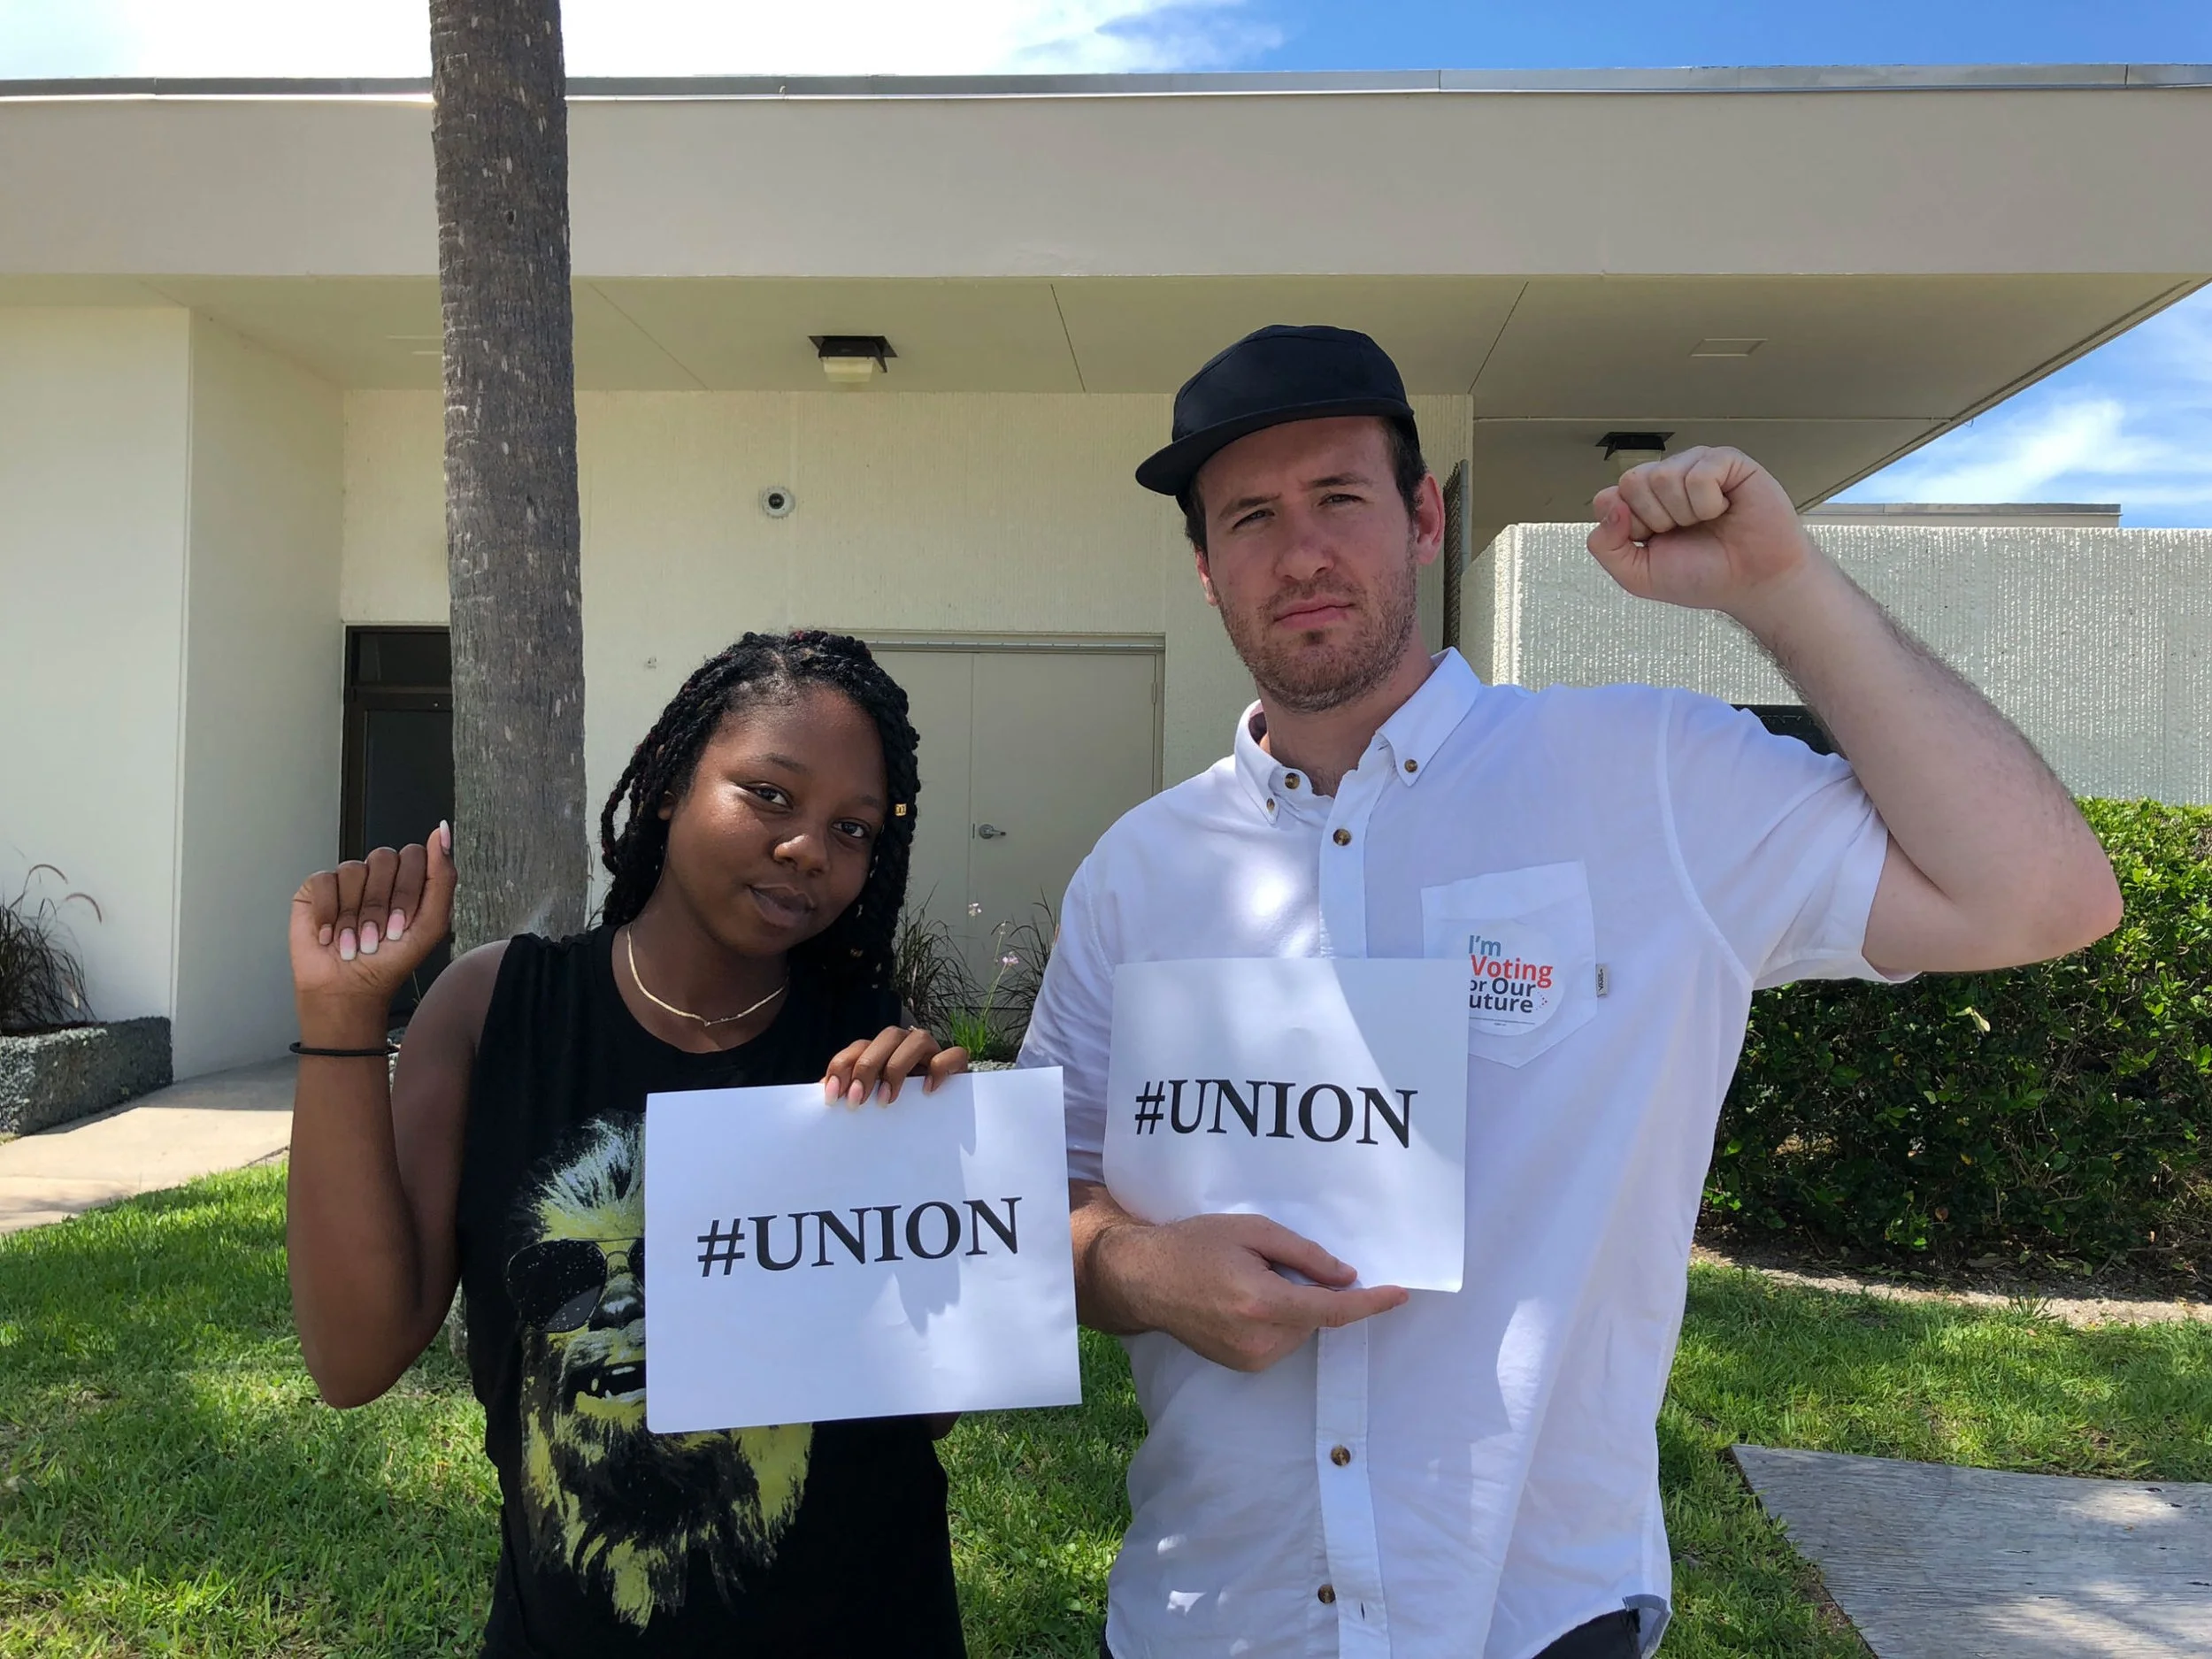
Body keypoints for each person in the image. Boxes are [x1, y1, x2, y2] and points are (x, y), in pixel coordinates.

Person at [1018, 326, 2122, 1659]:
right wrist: (1134, 1265)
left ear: (1423, 516)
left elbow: (2044, 896)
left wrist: (1781, 588)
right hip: (1208, 1616)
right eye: (1249, 516)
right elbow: (1045, 1207)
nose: (1299, 551)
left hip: (1533, 1614)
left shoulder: (1647, 776)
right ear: (1204, 567)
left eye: (1340, 498)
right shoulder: (1137, 871)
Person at [286, 630, 972, 1658]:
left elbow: (924, 1418)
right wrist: (342, 1019)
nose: (809, 850)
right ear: (666, 786)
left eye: (854, 829)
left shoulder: (866, 1048)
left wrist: (925, 1170)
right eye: (770, 796)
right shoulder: (496, 1009)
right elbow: (352, 1360)